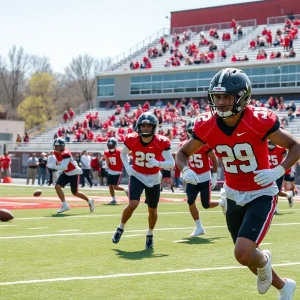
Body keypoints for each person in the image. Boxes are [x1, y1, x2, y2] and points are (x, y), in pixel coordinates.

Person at [176, 68, 298, 299]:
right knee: (247, 256)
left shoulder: (258, 121)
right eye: (218, 97)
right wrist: (185, 169)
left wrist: (278, 170)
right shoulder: (206, 124)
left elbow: (296, 146)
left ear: (242, 97)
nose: (221, 102)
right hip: (232, 193)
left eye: (227, 97)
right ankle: (284, 286)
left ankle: (265, 262)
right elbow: (182, 152)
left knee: (243, 253)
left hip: (261, 191)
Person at [112, 112, 175, 248]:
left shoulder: (160, 141)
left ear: (154, 127)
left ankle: (150, 234)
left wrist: (158, 163)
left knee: (152, 210)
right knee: (133, 203)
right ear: (139, 127)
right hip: (137, 175)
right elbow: (123, 154)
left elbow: (171, 163)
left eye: (149, 126)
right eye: (143, 125)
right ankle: (120, 228)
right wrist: (128, 168)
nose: (146, 128)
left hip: (154, 178)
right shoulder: (132, 139)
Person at [180, 119, 226, 237]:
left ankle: (222, 202)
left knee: (206, 204)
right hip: (192, 178)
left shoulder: (205, 145)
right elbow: (181, 160)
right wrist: (185, 173)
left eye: (192, 131)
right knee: (190, 201)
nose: (191, 133)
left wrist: (214, 176)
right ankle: (199, 227)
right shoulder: (183, 145)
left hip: (205, 177)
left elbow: (214, 160)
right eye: (189, 131)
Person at [53, 138, 94, 214]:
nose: (57, 148)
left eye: (59, 146)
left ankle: (89, 200)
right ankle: (65, 205)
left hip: (73, 173)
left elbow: (64, 166)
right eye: (56, 146)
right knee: (57, 186)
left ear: (62, 146)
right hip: (66, 172)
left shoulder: (66, 153)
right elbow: (61, 165)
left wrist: (53, 167)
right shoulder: (55, 153)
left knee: (75, 192)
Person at [267, 141, 293, 213]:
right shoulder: (264, 148)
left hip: (277, 173)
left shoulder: (281, 149)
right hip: (267, 172)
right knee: (270, 191)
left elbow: (286, 158)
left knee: (276, 191)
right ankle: (288, 195)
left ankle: (275, 208)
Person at [104, 138, 128, 205]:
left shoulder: (119, 152)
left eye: (112, 145)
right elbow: (107, 161)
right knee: (110, 186)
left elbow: (126, 158)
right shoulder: (106, 152)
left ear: (115, 145)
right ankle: (113, 199)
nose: (110, 146)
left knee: (115, 186)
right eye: (109, 145)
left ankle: (126, 190)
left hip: (118, 171)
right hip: (110, 171)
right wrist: (107, 167)